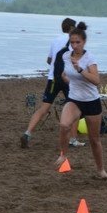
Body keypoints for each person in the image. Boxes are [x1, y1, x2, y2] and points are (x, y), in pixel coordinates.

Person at [53, 22, 107, 178]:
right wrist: (70, 81)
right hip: (74, 99)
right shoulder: (65, 56)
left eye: (78, 42)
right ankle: (63, 155)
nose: (75, 45)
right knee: (64, 125)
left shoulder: (89, 58)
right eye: (72, 42)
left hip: (91, 101)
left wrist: (80, 70)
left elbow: (96, 80)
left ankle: (100, 170)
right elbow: (64, 74)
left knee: (94, 140)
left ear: (84, 42)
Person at [21, 17, 81, 148]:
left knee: (44, 108)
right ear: (71, 28)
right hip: (67, 79)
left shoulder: (55, 40)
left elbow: (49, 60)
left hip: (52, 78)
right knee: (76, 107)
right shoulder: (73, 42)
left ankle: (28, 133)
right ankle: (73, 139)